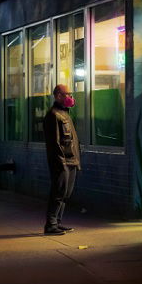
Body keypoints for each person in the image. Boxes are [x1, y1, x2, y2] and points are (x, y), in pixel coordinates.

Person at [43, 84, 81, 235]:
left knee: (66, 195)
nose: (70, 97)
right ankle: (50, 225)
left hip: (72, 161)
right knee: (58, 193)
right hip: (62, 163)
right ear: (58, 95)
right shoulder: (53, 116)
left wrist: (76, 161)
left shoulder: (65, 114)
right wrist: (61, 164)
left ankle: (57, 223)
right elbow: (54, 143)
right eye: (67, 94)